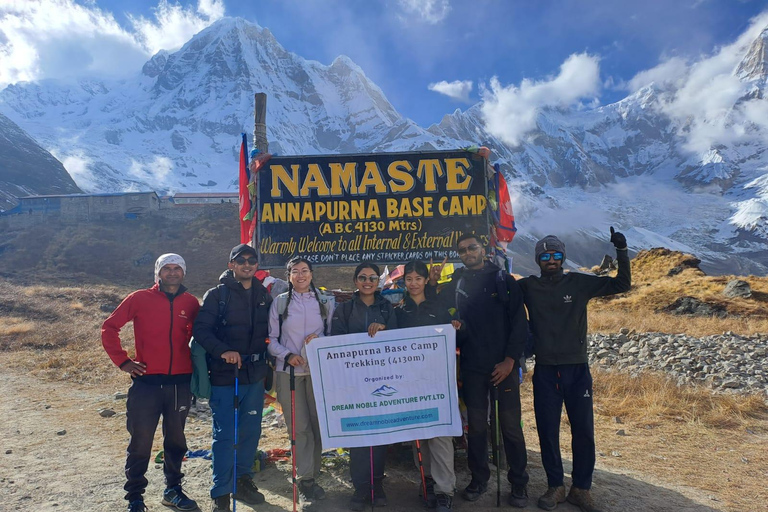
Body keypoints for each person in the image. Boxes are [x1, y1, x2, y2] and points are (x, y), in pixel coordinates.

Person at [517, 229, 630, 512]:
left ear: (563, 257)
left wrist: (623, 252)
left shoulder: (578, 283)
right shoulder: (528, 287)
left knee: (583, 431)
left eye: (556, 255)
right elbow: (497, 298)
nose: (551, 259)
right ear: (538, 260)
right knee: (547, 431)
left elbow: (622, 285)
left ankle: (581, 488)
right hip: (545, 370)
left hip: (577, 369)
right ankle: (556, 486)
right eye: (545, 255)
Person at [428, 234, 530, 507]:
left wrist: (510, 360)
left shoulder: (504, 281)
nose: (467, 252)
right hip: (473, 367)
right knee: (476, 427)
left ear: (483, 249)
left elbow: (520, 324)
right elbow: (436, 312)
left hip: (504, 366)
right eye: (462, 250)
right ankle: (479, 478)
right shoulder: (456, 283)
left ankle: (519, 483)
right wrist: (433, 284)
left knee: (510, 427)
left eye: (472, 247)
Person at [101, 253, 201, 512]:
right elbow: (109, 327)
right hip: (146, 383)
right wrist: (123, 361)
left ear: (183, 272)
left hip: (180, 383)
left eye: (176, 268)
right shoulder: (139, 299)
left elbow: (203, 337)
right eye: (166, 268)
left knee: (176, 440)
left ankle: (173, 490)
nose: (171, 273)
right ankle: (135, 497)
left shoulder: (191, 303)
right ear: (158, 273)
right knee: (141, 441)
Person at [193, 243, 272, 512]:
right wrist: (223, 350)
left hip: (255, 375)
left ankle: (242, 479)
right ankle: (221, 492)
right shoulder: (217, 295)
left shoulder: (264, 295)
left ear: (257, 266)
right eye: (241, 260)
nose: (247, 264)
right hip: (226, 376)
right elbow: (201, 330)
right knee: (225, 433)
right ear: (232, 265)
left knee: (250, 431)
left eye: (252, 260)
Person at [394, 260, 461, 512]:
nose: (413, 283)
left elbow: (453, 337)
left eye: (418, 279)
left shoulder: (439, 307)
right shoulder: (400, 311)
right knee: (419, 434)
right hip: (411, 382)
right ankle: (428, 481)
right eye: (408, 279)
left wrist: (455, 328)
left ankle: (445, 490)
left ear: (425, 280)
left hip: (438, 380)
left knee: (441, 434)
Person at [331, 263, 398, 511]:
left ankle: (377, 484)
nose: (367, 281)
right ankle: (360, 487)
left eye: (372, 277)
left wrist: (385, 329)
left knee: (379, 435)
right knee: (359, 434)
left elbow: (399, 339)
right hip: (354, 382)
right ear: (355, 281)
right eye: (362, 277)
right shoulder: (345, 309)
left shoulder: (386, 307)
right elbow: (335, 341)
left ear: (378, 281)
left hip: (381, 381)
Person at [267, 257, 333, 504]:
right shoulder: (280, 304)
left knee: (317, 427)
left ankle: (313, 473)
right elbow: (271, 340)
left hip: (318, 373)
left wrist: (321, 338)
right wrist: (288, 355)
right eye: (295, 271)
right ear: (289, 276)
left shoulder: (326, 301)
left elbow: (332, 333)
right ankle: (305, 479)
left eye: (305, 270)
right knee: (299, 427)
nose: (301, 275)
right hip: (289, 374)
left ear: (312, 274)